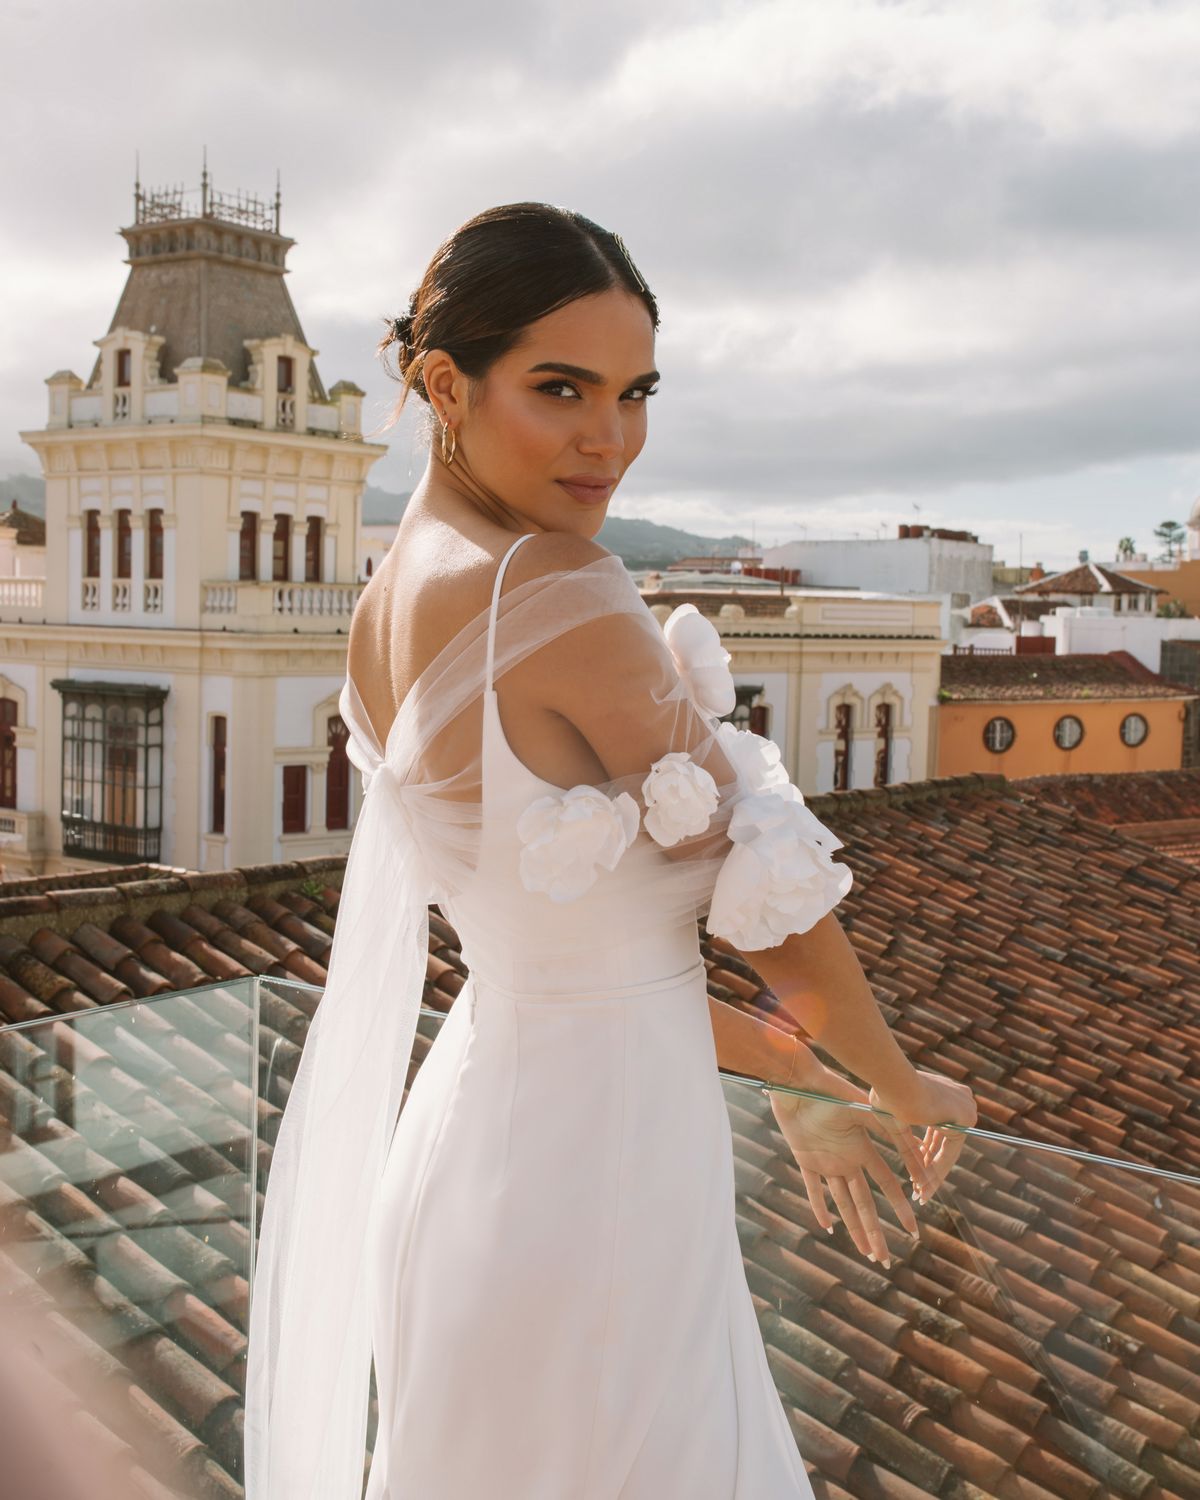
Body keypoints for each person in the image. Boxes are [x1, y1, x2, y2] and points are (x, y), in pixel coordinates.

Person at [244, 202, 977, 1500]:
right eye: (561, 389)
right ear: (441, 385)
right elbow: (766, 908)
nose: (611, 439)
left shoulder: (383, 603)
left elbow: (589, 966)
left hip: (480, 1145)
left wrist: (797, 1079)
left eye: (635, 393)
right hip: (598, 1189)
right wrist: (892, 1086)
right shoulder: (560, 589)